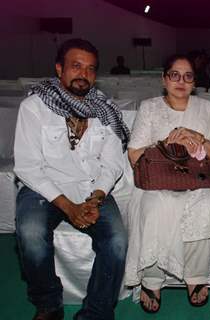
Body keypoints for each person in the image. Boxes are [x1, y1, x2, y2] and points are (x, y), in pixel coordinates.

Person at [14, 38, 130, 320]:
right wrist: (69, 207)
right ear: (59, 69)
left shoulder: (106, 111)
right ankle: (48, 304)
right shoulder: (34, 107)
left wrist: (96, 198)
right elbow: (28, 167)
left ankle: (97, 312)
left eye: (90, 69)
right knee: (30, 233)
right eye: (76, 66)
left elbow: (113, 163)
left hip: (92, 189)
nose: (84, 74)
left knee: (117, 241)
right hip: (42, 189)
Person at [125, 54, 210, 313]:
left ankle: (196, 276)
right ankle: (152, 279)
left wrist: (198, 138)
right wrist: (166, 145)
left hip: (199, 181)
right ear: (164, 79)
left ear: (194, 82)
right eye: (174, 75)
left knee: (207, 204)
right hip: (157, 182)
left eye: (188, 76)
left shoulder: (207, 109)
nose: (181, 81)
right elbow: (134, 155)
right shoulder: (149, 107)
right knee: (153, 208)